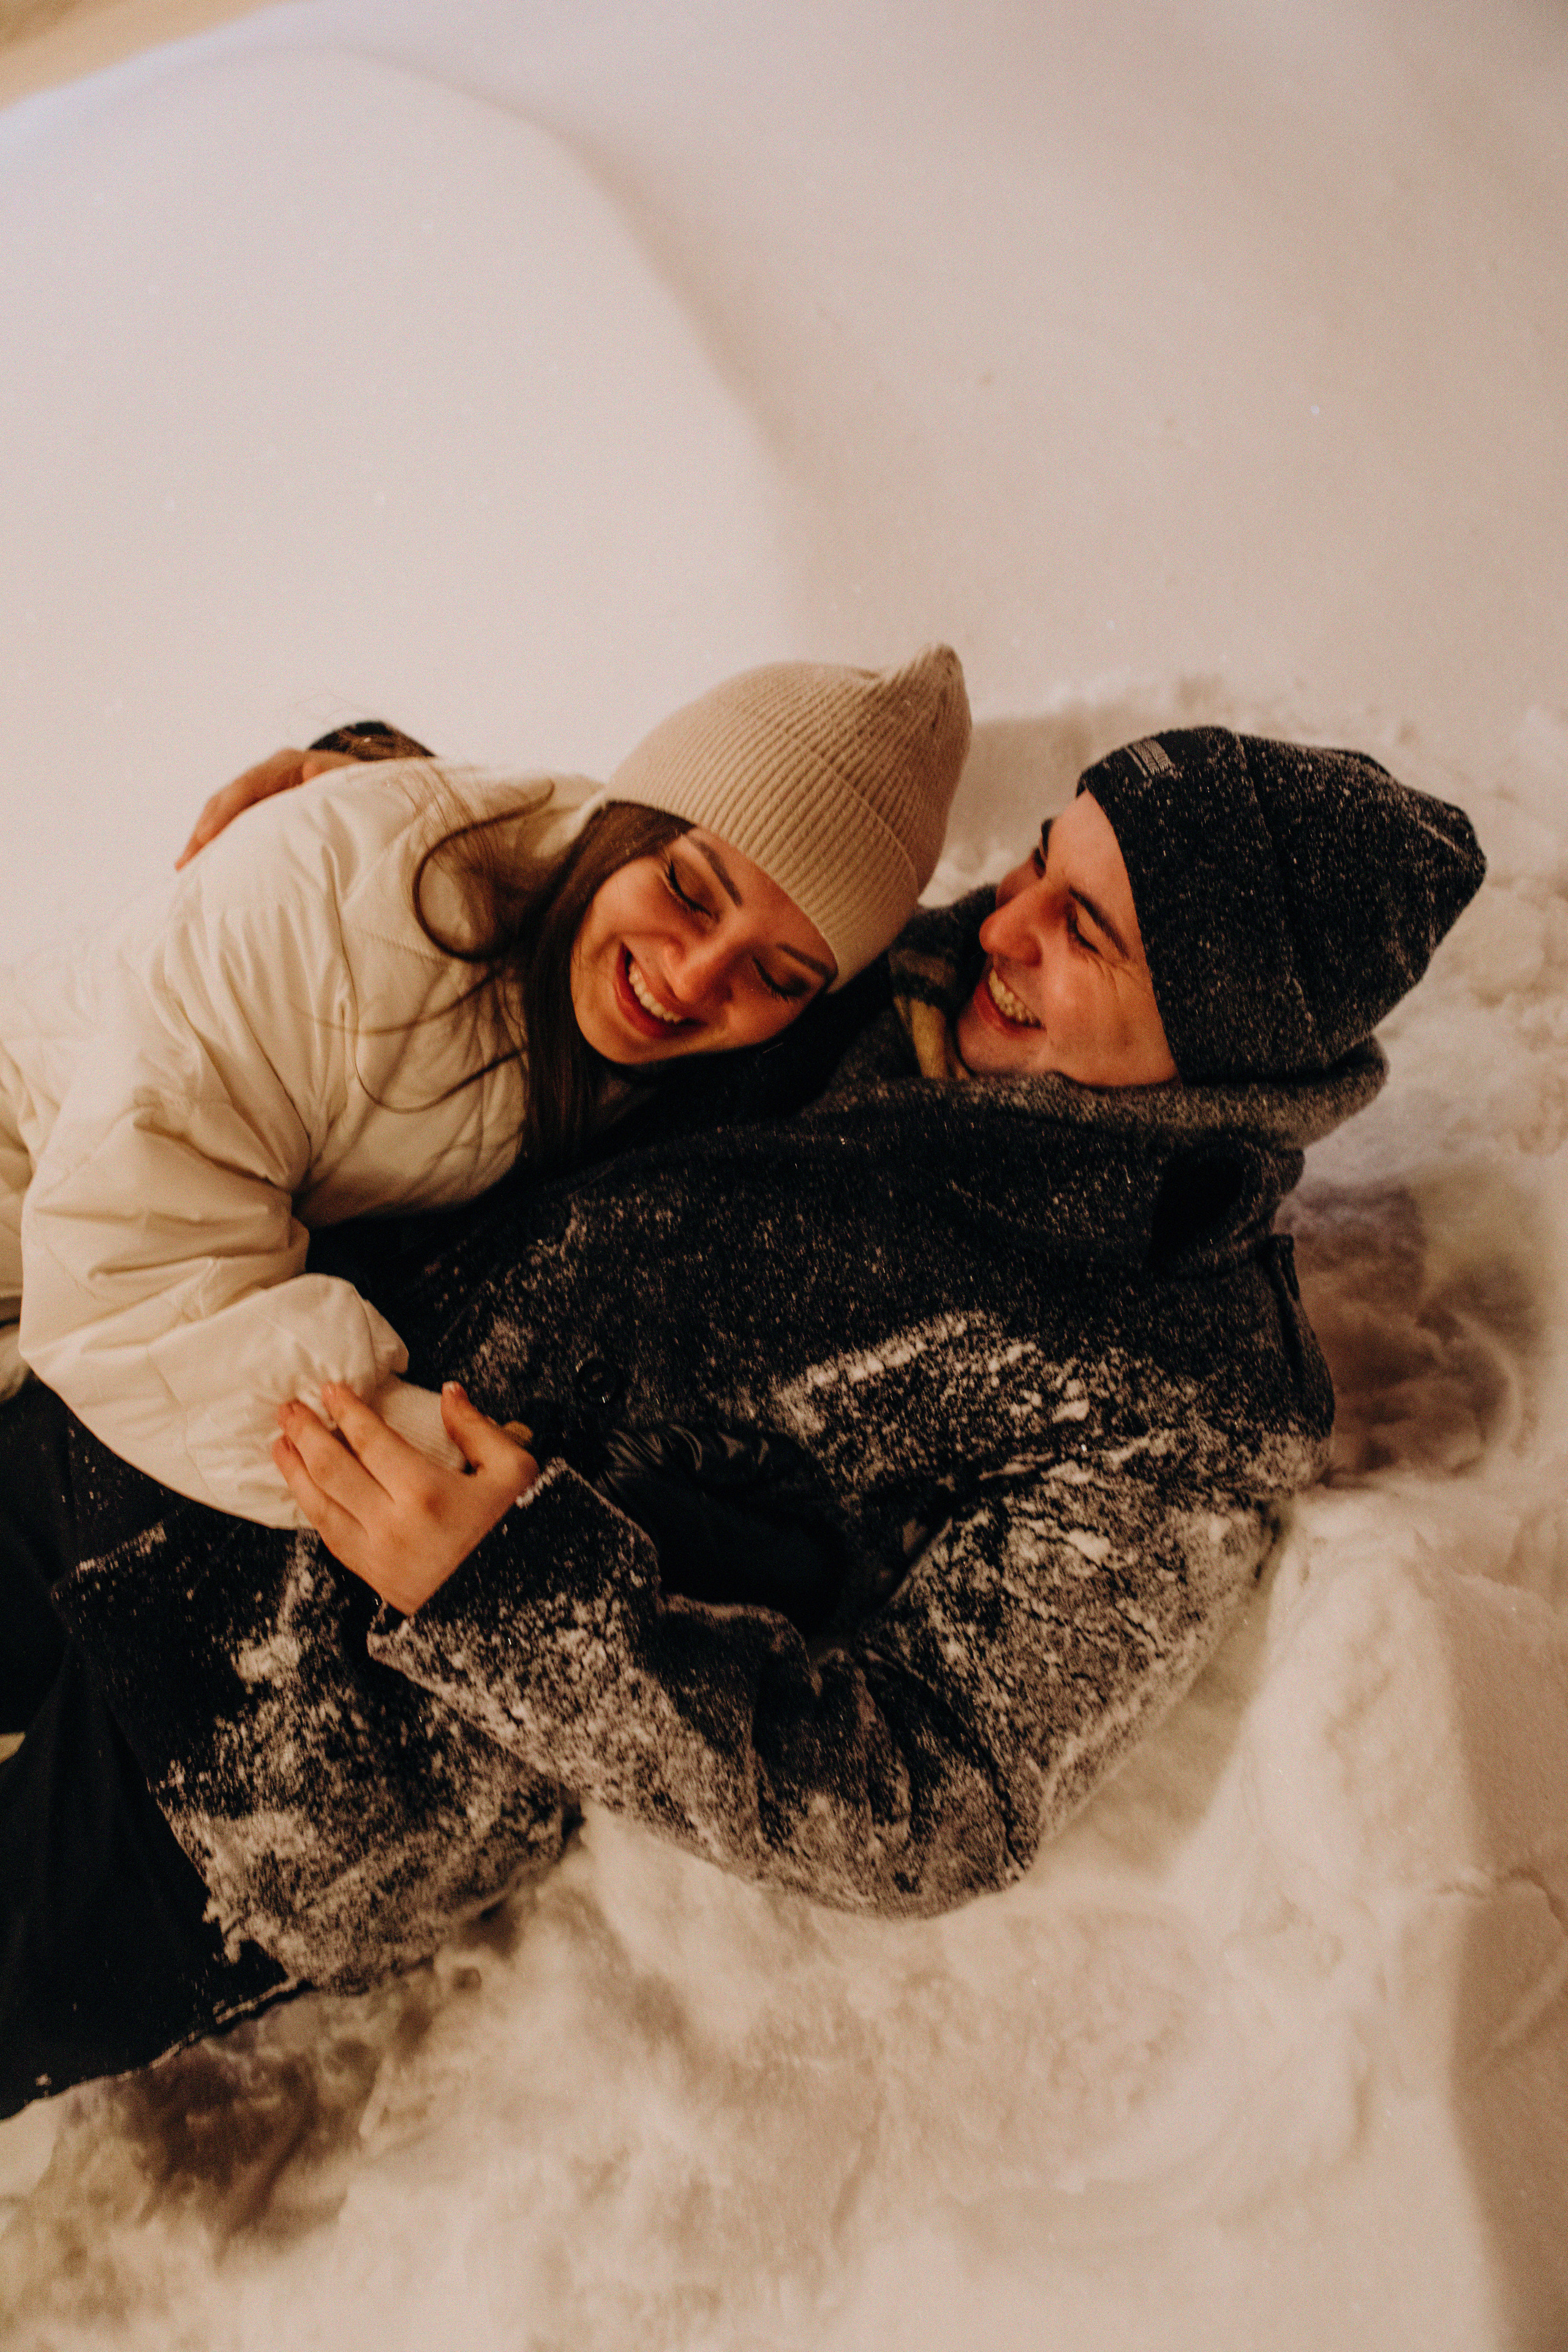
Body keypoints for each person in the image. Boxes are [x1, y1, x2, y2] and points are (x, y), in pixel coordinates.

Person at [1, 725, 1484, 2117]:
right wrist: (374, 803)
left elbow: (936, 1791)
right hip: (173, 1422)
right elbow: (676, 883)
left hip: (281, 1764)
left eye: (1082, 931)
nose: (1002, 924)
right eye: (1038, 864)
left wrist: (517, 1598)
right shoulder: (859, 973)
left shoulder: (1177, 1388)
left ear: (1227, 1046)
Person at [0, 650, 969, 1528]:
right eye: (688, 890)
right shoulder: (327, 924)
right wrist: (455, 1486)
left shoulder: (608, 974)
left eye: (778, 976)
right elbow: (126, 1273)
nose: (693, 978)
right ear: (625, 823)